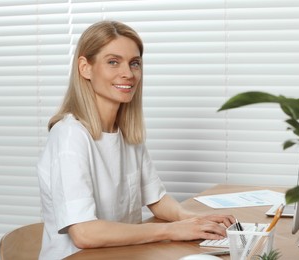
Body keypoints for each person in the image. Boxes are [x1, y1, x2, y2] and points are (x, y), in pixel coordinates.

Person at [36, 20, 235, 259]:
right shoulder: (70, 135)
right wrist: (171, 230)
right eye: (113, 62)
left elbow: (156, 198)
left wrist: (191, 219)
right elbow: (84, 233)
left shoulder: (127, 133)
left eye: (134, 63)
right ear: (85, 68)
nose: (128, 74)